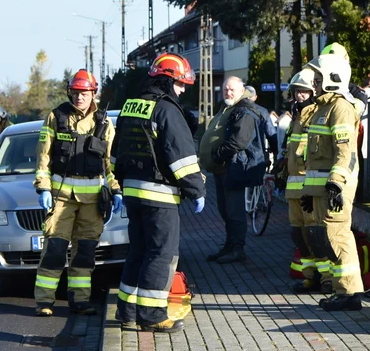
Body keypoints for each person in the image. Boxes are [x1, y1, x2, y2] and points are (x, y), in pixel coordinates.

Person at [113, 53, 205, 333]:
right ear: (166, 81)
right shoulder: (165, 110)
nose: (183, 89)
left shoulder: (130, 106)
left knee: (138, 252)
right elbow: (181, 157)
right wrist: (196, 189)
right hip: (160, 194)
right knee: (162, 254)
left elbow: (117, 153)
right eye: (179, 83)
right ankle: (152, 315)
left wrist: (121, 185)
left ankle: (127, 312)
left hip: (132, 191)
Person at [33, 69, 121, 317]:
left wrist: (116, 190)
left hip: (92, 202)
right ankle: (44, 302)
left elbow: (109, 162)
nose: (79, 97)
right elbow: (44, 156)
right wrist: (43, 186)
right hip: (61, 198)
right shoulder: (56, 117)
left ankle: (79, 301)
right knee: (55, 250)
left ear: (93, 93)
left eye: (84, 93)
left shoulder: (103, 121)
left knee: (85, 253)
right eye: (75, 92)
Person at [300, 53, 362, 311]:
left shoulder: (340, 108)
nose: (313, 83)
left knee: (339, 237)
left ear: (331, 79)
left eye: (317, 78)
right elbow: (313, 157)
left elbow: (344, 152)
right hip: (323, 188)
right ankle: (341, 289)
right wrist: (309, 190)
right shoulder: (322, 109)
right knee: (329, 238)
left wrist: (336, 184)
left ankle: (350, 293)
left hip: (336, 187)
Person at [198, 77, 267, 264]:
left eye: (232, 90)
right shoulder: (227, 107)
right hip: (222, 169)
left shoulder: (244, 110)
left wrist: (217, 155)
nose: (228, 93)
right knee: (224, 210)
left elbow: (239, 141)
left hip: (234, 168)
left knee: (234, 212)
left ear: (241, 90)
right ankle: (229, 245)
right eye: (225, 89)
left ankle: (237, 249)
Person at [274, 69, 331, 293]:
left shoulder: (319, 114)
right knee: (299, 234)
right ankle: (310, 276)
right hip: (294, 188)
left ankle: (327, 278)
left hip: (311, 187)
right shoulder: (295, 117)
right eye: (297, 91)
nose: (299, 95)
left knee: (316, 233)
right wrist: (281, 169)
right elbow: (291, 150)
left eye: (304, 91)